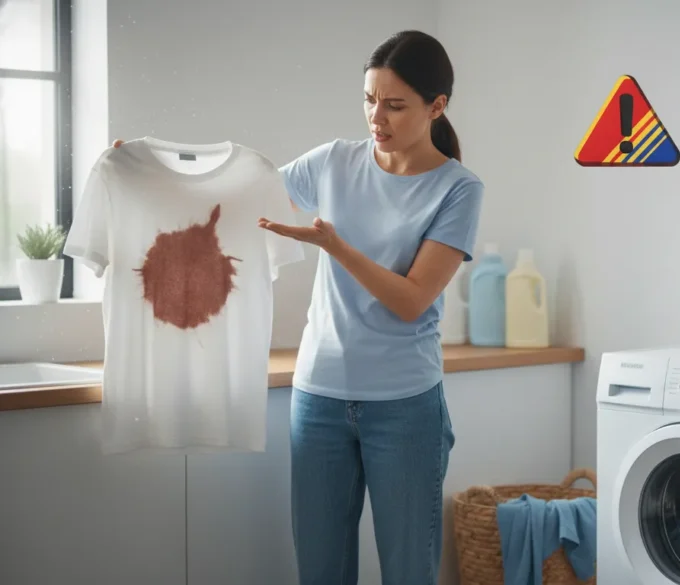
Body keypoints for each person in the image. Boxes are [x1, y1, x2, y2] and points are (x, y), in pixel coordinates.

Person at [117, 29, 483, 585]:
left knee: (409, 571)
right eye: (368, 99)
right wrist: (147, 173)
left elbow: (411, 300)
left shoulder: (458, 189)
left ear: (437, 106)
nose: (375, 117)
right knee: (320, 571)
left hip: (405, 407)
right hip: (319, 401)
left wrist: (337, 248)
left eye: (394, 105)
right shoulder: (333, 162)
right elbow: (229, 202)